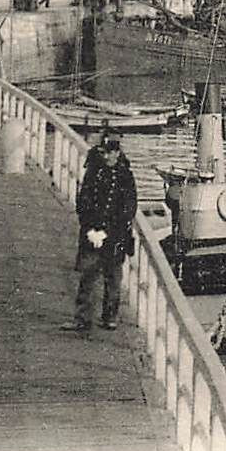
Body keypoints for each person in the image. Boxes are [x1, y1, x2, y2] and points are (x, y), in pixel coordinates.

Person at [65, 134, 137, 333]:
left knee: (113, 278)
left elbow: (128, 208)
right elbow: (83, 202)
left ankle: (110, 316)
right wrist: (90, 229)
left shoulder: (125, 176)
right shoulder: (93, 172)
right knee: (88, 276)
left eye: (111, 153)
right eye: (104, 153)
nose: (107, 157)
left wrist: (108, 232)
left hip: (114, 235)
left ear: (117, 152)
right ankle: (82, 317)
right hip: (92, 232)